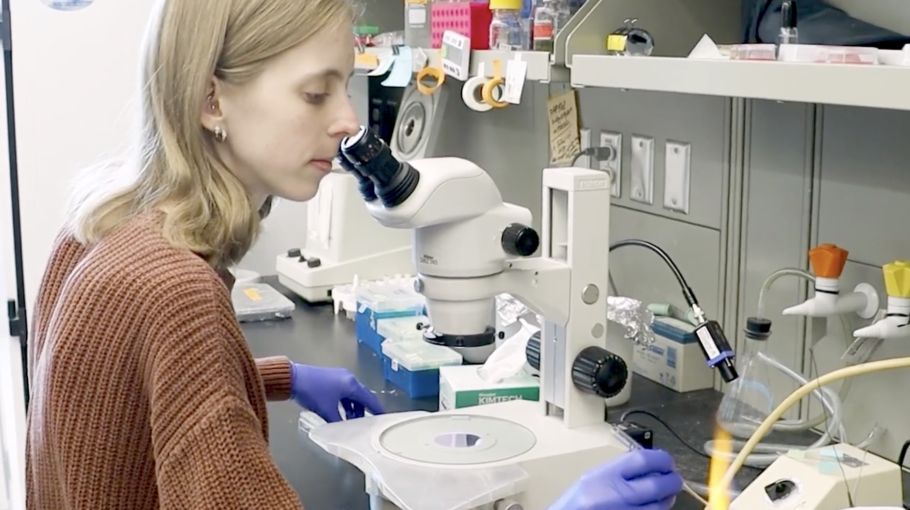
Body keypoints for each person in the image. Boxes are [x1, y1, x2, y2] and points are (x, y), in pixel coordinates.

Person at [24, 0, 683, 508]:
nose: (346, 120)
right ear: (210, 99)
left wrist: (273, 376)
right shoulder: (176, 291)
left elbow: (121, 418)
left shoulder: (102, 223)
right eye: (316, 92)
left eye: (347, 86)